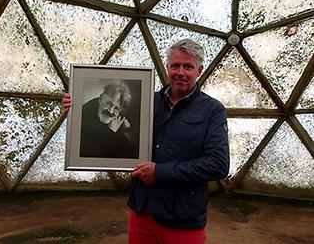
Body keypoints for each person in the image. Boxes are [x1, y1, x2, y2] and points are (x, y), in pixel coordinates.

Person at [63, 38, 229, 244]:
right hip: (142, 211)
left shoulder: (213, 110)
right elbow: (106, 120)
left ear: (199, 70)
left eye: (188, 66)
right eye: (175, 65)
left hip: (183, 219)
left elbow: (218, 165)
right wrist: (76, 108)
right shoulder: (147, 102)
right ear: (167, 67)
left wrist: (159, 173)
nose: (180, 72)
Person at [64, 82, 137, 159]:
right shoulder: (81, 117)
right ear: (100, 98)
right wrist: (111, 131)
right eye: (109, 103)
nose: (111, 111)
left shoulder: (118, 120)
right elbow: (93, 154)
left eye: (116, 108)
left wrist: (124, 129)